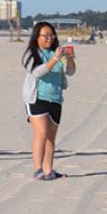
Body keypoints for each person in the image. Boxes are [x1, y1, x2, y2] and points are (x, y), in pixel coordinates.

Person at [23, 21, 76, 180]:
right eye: (45, 36)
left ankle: (49, 171)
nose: (49, 39)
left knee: (51, 137)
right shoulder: (32, 54)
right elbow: (37, 72)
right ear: (37, 37)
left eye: (52, 36)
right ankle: (38, 169)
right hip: (36, 98)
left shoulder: (57, 52)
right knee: (42, 133)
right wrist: (54, 59)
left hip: (55, 98)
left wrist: (70, 58)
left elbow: (70, 72)